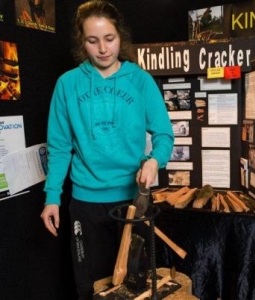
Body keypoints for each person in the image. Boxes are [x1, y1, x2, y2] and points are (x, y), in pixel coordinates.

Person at [40, 1, 174, 299]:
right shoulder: (68, 84)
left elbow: (164, 134)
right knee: (91, 287)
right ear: (82, 41)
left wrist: (155, 161)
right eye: (92, 40)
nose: (102, 48)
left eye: (109, 38)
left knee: (135, 285)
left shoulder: (140, 80)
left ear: (120, 36)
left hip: (133, 199)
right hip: (85, 204)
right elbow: (60, 147)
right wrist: (52, 198)